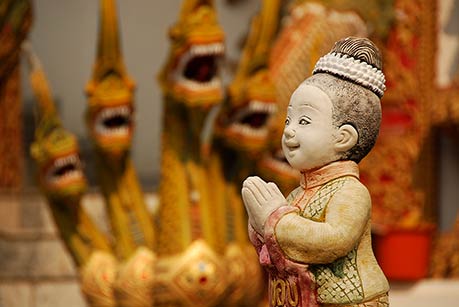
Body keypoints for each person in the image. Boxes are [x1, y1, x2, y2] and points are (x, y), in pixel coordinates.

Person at [241, 37, 390, 307]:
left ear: (343, 137)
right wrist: (260, 223)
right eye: (289, 119)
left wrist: (275, 219)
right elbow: (279, 246)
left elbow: (334, 240)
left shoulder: (350, 192)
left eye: (304, 121)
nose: (288, 130)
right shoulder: (299, 192)